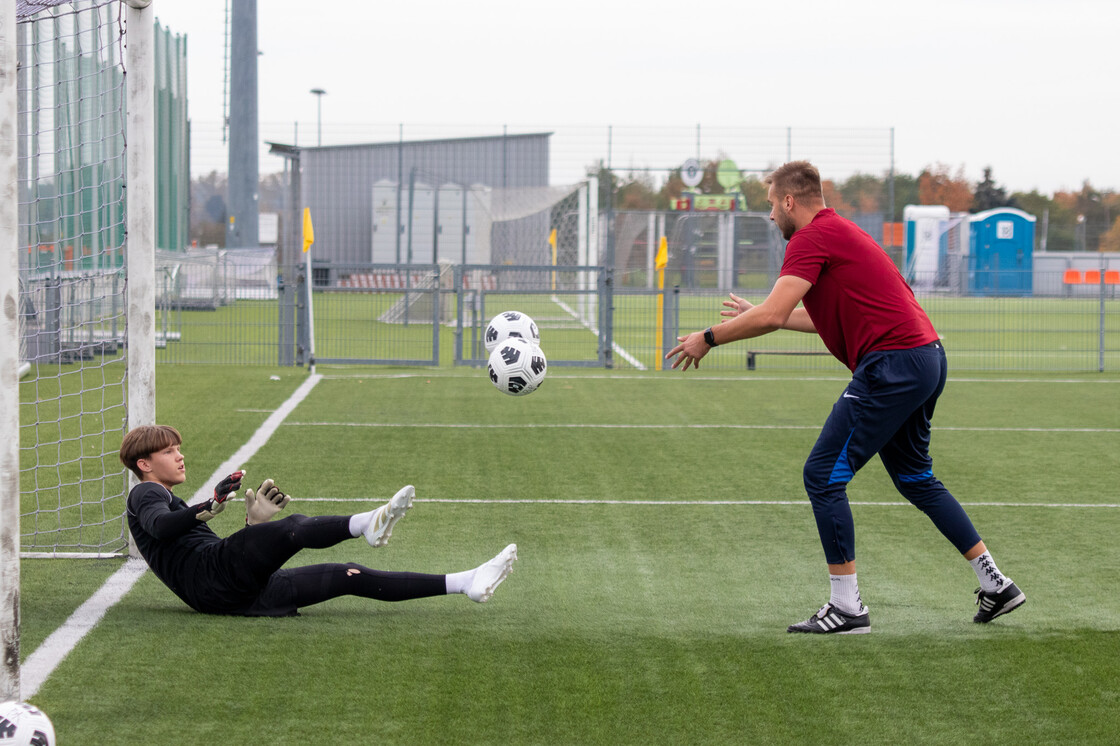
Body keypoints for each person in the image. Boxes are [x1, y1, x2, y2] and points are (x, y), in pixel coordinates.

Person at [666, 160, 1024, 634]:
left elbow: (774, 315)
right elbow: (818, 318)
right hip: (925, 358)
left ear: (790, 201)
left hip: (893, 364)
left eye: (772, 204)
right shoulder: (839, 232)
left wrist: (708, 337)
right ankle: (996, 583)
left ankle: (847, 608)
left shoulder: (810, 238)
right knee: (916, 478)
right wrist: (764, 312)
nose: (771, 215)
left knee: (822, 474)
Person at [120, 424, 517, 617]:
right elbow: (160, 528)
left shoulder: (164, 496)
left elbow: (188, 545)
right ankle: (366, 524)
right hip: (215, 577)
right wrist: (210, 503)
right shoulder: (145, 492)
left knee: (350, 575)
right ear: (144, 464)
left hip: (226, 593)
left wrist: (253, 528)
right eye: (168, 451)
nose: (179, 455)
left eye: (178, 448)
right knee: (295, 527)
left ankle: (465, 582)